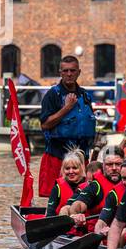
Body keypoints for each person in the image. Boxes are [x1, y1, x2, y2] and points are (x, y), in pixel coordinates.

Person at [37, 55, 97, 197]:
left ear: (79, 72)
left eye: (72, 70)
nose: (69, 74)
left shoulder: (85, 95)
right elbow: (45, 125)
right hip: (58, 155)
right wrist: (67, 108)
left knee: (83, 195)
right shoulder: (52, 95)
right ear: (60, 72)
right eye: (65, 71)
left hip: (82, 156)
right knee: (56, 195)